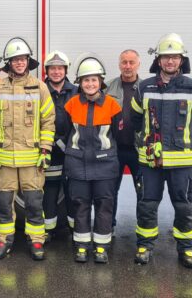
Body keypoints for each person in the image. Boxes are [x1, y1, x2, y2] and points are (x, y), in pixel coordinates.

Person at [130, 33, 192, 269]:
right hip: (150, 162)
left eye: (174, 57)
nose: (170, 62)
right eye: (165, 57)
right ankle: (144, 246)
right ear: (158, 60)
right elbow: (136, 118)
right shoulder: (143, 87)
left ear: (181, 60)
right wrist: (144, 141)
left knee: (184, 206)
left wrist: (188, 141)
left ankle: (186, 251)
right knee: (147, 204)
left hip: (183, 162)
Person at [0, 37, 55, 261]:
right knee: (4, 204)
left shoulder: (40, 87)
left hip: (32, 159)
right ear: (9, 63)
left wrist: (45, 150)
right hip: (4, 160)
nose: (20, 63)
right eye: (15, 59)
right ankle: (4, 240)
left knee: (34, 202)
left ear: (28, 61)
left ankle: (36, 240)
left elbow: (48, 120)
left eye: (23, 59)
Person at [62, 54, 122, 264]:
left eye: (94, 80)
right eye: (86, 80)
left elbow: (118, 135)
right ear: (79, 82)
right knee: (80, 205)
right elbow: (66, 131)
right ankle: (81, 246)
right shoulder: (71, 105)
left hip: (105, 166)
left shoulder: (113, 106)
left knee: (105, 206)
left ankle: (101, 248)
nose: (90, 84)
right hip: (78, 165)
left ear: (100, 82)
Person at [42, 50, 77, 242]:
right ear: (47, 71)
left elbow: (80, 120)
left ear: (65, 70)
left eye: (60, 68)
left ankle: (75, 230)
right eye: (53, 68)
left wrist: (69, 143)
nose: (56, 72)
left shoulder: (76, 91)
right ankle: (48, 231)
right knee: (50, 192)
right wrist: (55, 141)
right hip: (50, 150)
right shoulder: (41, 90)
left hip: (72, 150)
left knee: (72, 193)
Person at [104, 49, 142, 231]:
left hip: (139, 149)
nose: (127, 66)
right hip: (114, 148)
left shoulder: (147, 88)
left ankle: (144, 229)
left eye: (131, 62)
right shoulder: (108, 87)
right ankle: (108, 228)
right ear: (119, 64)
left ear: (138, 64)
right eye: (124, 62)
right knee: (110, 192)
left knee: (143, 192)